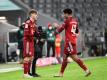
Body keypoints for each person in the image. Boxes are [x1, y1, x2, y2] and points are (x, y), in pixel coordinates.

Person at [54, 8, 91, 77]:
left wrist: (55, 32)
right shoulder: (75, 21)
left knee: (75, 58)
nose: (63, 15)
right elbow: (77, 31)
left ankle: (87, 70)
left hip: (69, 42)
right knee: (65, 57)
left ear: (67, 14)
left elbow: (61, 28)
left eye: (64, 14)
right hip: (72, 41)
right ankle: (61, 73)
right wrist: (73, 35)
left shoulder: (67, 21)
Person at [23, 9, 39, 78]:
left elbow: (36, 33)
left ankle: (28, 73)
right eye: (36, 14)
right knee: (27, 57)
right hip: (27, 42)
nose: (36, 16)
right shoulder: (28, 22)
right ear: (32, 14)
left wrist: (38, 34)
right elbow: (26, 33)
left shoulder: (33, 23)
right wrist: (33, 36)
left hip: (31, 41)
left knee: (31, 57)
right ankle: (25, 74)